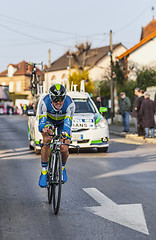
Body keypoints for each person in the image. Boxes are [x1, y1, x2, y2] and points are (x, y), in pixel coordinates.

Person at [38, 83, 75, 188]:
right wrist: (43, 129)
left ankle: (62, 168)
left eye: (61, 99)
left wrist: (65, 133)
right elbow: (41, 123)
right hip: (49, 121)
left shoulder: (70, 104)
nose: (58, 102)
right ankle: (44, 171)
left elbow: (68, 124)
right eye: (55, 99)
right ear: (50, 98)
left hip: (63, 123)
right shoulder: (44, 102)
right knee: (47, 139)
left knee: (64, 147)